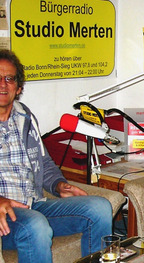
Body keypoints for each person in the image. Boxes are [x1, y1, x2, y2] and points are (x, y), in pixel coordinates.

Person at [0, 49, 113, 263]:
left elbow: (43, 162)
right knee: (35, 225)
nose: (3, 84)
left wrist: (59, 185)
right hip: (5, 215)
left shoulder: (25, 116)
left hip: (33, 204)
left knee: (99, 207)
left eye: (9, 78)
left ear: (18, 87)